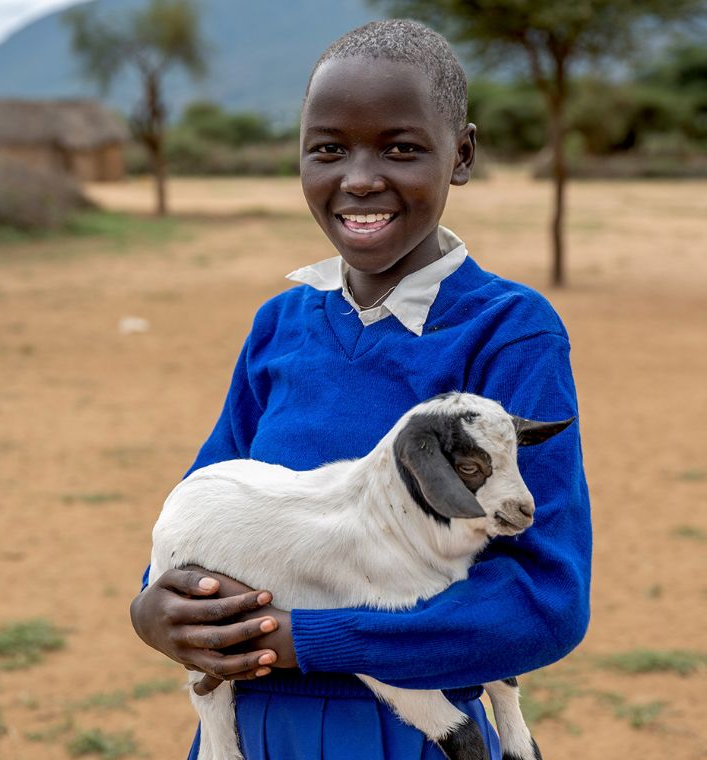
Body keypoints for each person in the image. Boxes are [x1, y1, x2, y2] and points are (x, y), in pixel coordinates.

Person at [130, 19, 591, 760]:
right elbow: (209, 495)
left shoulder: (510, 333)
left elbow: (544, 599)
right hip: (256, 730)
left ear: (462, 155)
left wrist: (307, 638)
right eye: (328, 149)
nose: (360, 178)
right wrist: (155, 602)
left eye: (401, 148)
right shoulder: (280, 325)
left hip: (416, 730)